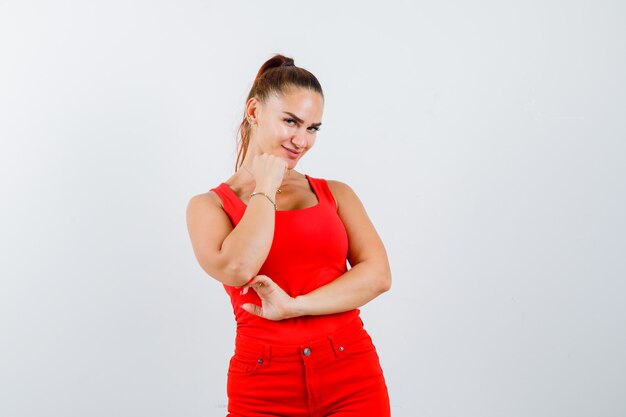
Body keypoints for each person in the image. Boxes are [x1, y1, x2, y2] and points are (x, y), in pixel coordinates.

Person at [186, 54, 392, 417]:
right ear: (254, 111)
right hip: (263, 383)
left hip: (350, 371)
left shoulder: (335, 193)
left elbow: (377, 276)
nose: (302, 140)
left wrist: (296, 307)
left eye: (313, 128)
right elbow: (237, 267)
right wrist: (266, 184)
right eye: (291, 122)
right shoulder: (209, 207)